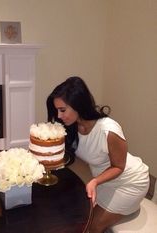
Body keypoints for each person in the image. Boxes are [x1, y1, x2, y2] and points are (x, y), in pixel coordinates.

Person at [47, 76, 150, 233]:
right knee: (75, 217)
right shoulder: (72, 126)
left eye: (62, 110)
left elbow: (119, 167)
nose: (59, 116)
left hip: (129, 182)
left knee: (91, 227)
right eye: (57, 110)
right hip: (103, 182)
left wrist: (95, 181)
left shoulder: (108, 130)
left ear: (78, 105)